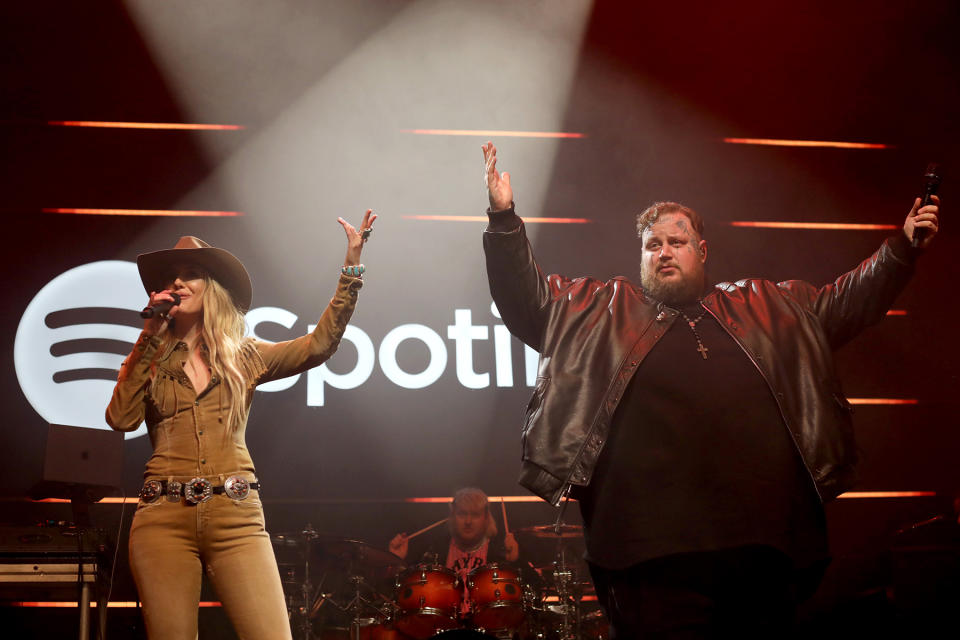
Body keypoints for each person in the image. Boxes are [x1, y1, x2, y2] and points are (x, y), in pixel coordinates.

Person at [480, 141, 940, 638]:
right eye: (652, 245)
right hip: (647, 555)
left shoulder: (768, 305)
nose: (663, 253)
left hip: (763, 551)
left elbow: (846, 303)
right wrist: (504, 220)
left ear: (702, 252)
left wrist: (901, 250)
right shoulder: (598, 310)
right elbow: (527, 302)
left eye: (675, 242)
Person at [106, 210, 377, 640]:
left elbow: (318, 345)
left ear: (211, 288)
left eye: (190, 274)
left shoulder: (244, 355)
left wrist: (351, 271)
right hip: (162, 518)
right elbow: (120, 418)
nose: (177, 283)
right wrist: (150, 332)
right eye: (171, 277)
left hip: (235, 517)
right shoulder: (148, 358)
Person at [389, 487, 520, 574]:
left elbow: (530, 593)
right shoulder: (437, 551)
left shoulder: (501, 552)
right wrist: (395, 561)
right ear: (452, 516)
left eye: (475, 515)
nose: (468, 521)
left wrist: (516, 561)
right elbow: (409, 591)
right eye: (462, 514)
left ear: (486, 518)